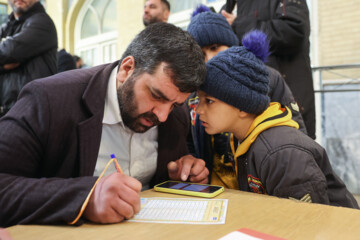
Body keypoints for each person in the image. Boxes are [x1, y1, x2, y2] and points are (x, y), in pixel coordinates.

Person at [0, 22, 208, 227]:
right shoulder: (49, 100)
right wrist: (85, 198)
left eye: (174, 104)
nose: (162, 116)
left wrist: (181, 175)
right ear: (127, 69)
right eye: (156, 95)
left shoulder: (176, 115)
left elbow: (167, 178)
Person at [195, 31, 358, 208]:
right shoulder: (243, 139)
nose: (198, 110)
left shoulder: (281, 153)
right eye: (198, 100)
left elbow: (307, 224)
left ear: (242, 105)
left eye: (209, 101)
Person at [186, 7, 307, 185]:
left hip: (260, 186)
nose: (209, 59)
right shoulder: (192, 90)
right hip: (215, 192)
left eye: (214, 48)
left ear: (232, 45)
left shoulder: (266, 77)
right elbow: (191, 140)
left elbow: (295, 132)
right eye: (200, 54)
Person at [221, 0, 316, 139]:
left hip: (284, 109)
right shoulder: (229, 6)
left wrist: (239, 25)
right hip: (244, 113)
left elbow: (293, 30)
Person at [0, 0, 58, 117]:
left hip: (33, 111)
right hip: (8, 110)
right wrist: (2, 67)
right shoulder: (6, 27)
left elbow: (10, 51)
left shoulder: (42, 22)